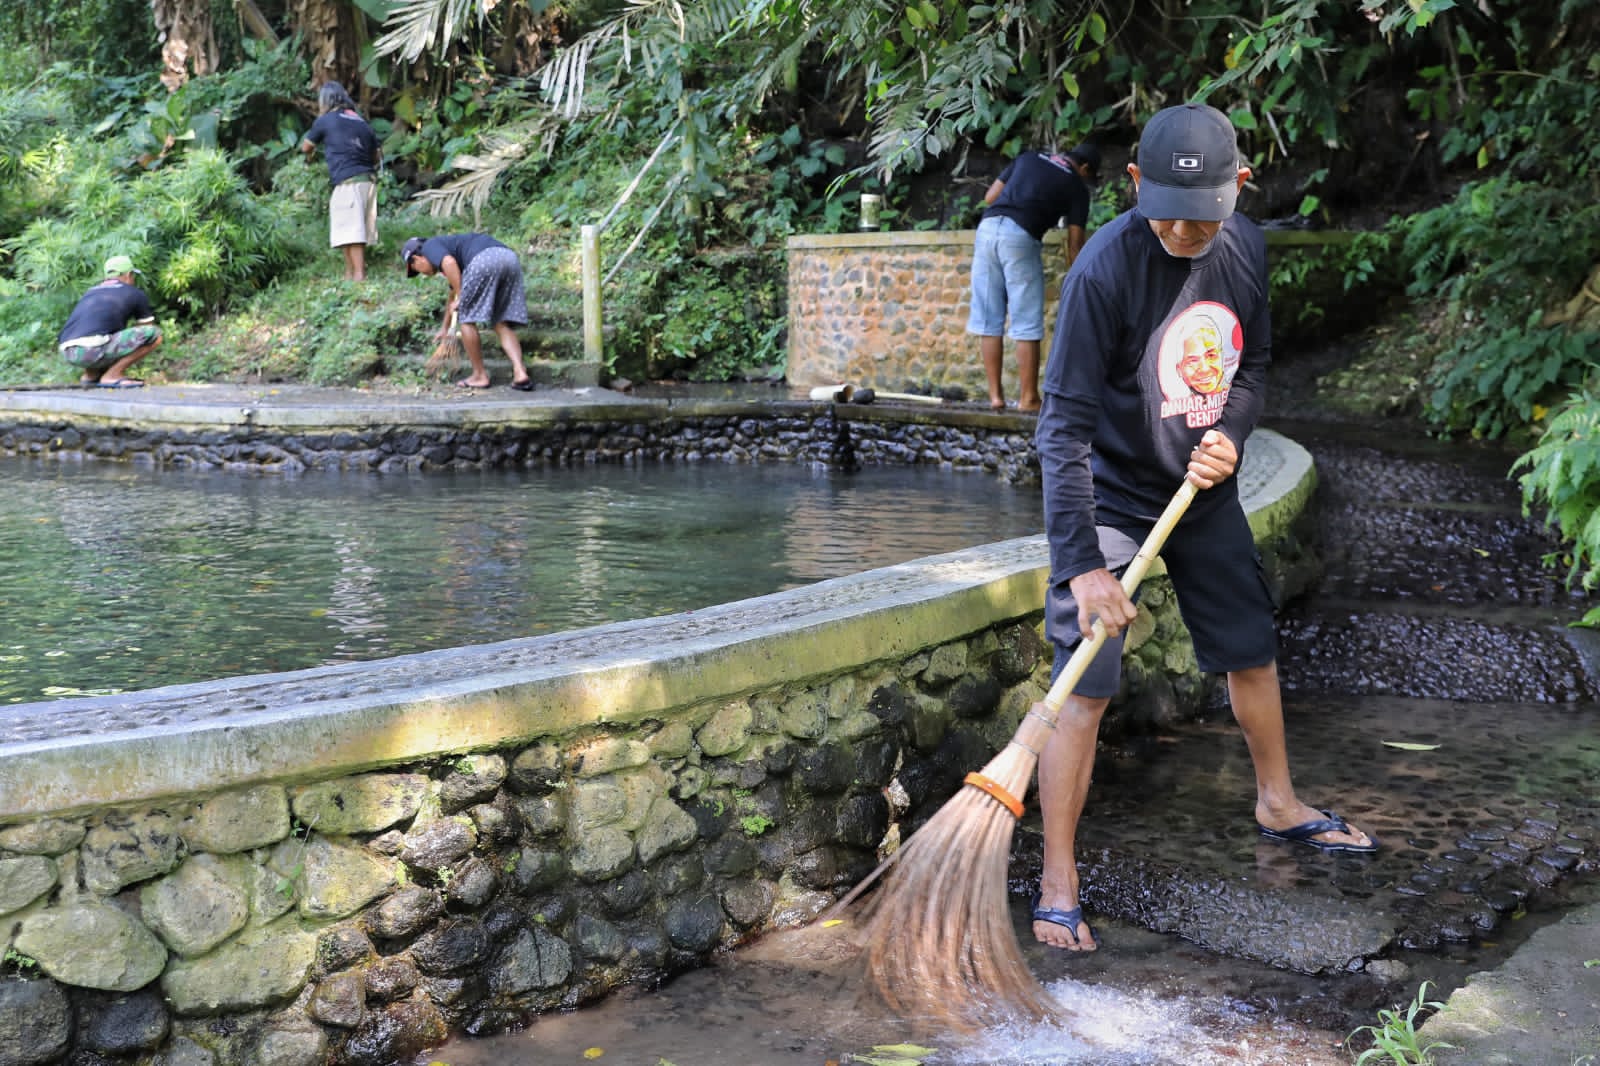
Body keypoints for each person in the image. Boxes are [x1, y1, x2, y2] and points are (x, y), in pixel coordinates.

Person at [1030, 103, 1377, 953]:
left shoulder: (1245, 247)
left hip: (1201, 489)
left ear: (1241, 187)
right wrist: (1084, 568)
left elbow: (1250, 366)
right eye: (1169, 211)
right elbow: (1061, 427)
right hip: (1111, 501)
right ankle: (1057, 879)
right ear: (1135, 184)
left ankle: (1278, 802)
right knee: (1087, 679)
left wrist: (1234, 432)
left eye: (1207, 212)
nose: (1187, 231)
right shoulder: (1102, 273)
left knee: (1249, 645)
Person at [967, 143, 1100, 412]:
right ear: (1085, 168)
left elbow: (991, 196)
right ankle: (1027, 399)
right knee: (1026, 320)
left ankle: (996, 397)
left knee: (988, 318)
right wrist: (1083, 282)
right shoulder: (1076, 186)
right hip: (1020, 235)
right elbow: (1075, 245)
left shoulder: (1029, 157)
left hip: (987, 228)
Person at [401, 234, 534, 391]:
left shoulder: (430, 246)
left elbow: (449, 265)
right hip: (509, 259)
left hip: (483, 261)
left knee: (467, 319)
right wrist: (445, 327)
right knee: (501, 322)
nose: (422, 274)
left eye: (416, 270)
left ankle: (479, 375)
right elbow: (452, 295)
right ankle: (520, 372)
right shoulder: (453, 252)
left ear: (417, 258)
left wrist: (462, 296)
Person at [300, 81, 381, 281]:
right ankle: (349, 274)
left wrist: (314, 154)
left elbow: (306, 147)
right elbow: (378, 155)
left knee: (352, 232)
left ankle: (359, 276)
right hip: (368, 182)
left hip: (349, 181)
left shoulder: (326, 120)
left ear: (325, 101)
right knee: (347, 229)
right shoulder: (361, 121)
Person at [57, 255, 162, 389]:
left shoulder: (90, 292)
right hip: (91, 350)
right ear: (129, 275)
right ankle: (112, 375)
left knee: (102, 336)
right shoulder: (134, 293)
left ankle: (90, 376)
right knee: (154, 335)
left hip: (68, 350)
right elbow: (146, 330)